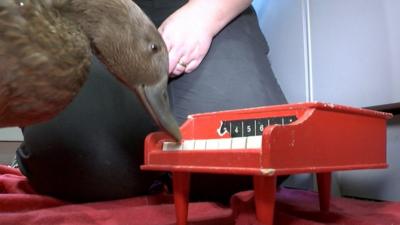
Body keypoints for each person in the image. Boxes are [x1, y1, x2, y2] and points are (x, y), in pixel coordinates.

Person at [16, 0, 287, 203]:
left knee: (249, 159)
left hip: (202, 8)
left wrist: (203, 15)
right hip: (86, 17)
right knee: (78, 168)